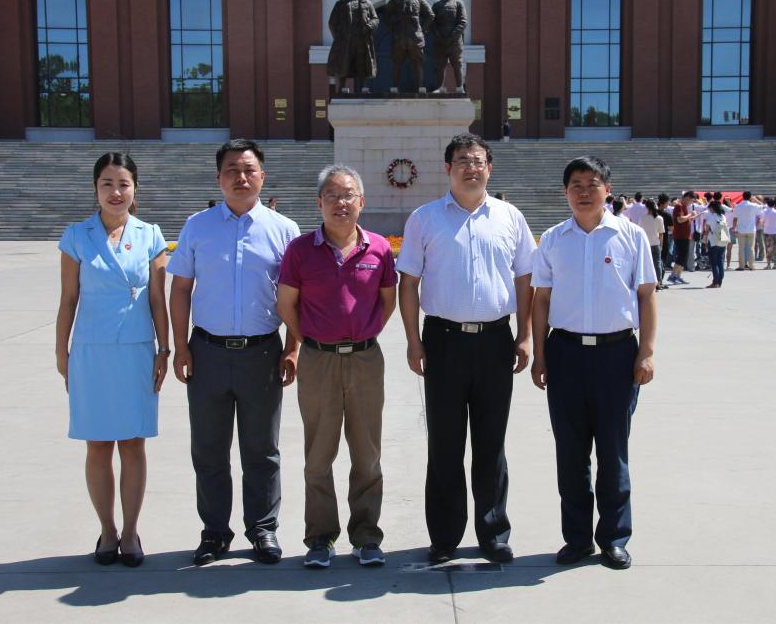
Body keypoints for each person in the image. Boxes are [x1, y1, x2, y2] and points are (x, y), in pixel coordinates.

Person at [397, 133, 536, 566]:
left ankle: (493, 532)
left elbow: (525, 280)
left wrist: (525, 334)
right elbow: (408, 283)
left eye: (478, 161)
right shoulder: (425, 218)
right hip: (443, 341)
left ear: (489, 168)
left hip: (496, 340)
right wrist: (413, 340)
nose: (470, 168)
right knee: (445, 443)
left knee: (491, 443)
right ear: (447, 168)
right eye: (462, 160)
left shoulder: (510, 217)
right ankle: (444, 536)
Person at [167, 139, 301, 566]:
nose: (240, 178)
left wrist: (293, 347)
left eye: (248, 170)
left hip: (262, 354)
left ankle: (262, 529)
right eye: (231, 170)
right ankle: (214, 532)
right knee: (209, 449)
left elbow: (296, 296)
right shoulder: (197, 226)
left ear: (262, 176)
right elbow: (180, 289)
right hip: (206, 351)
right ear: (218, 177)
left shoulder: (285, 230)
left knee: (262, 450)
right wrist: (180, 346)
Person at [530, 155, 657, 570]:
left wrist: (646, 351)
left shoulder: (631, 236)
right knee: (571, 452)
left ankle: (614, 538)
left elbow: (646, 295)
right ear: (565, 192)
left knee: (613, 450)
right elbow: (541, 299)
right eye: (576, 186)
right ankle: (577, 538)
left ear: (608, 189)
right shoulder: (553, 239)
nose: (584, 192)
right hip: (565, 353)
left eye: (592, 184)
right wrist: (540, 355)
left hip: (617, 355)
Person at [276, 166, 397, 569]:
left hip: (365, 361)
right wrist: (310, 339)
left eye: (348, 195)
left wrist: (364, 333)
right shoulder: (300, 250)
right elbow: (286, 305)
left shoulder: (379, 249)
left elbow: (387, 302)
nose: (340, 202)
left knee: (367, 454)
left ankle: (366, 537)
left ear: (362, 201)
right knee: (318, 455)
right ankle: (320, 538)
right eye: (331, 195)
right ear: (319, 203)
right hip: (318, 361)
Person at [55, 152, 170, 568]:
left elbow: (157, 299)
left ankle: (132, 531)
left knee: (133, 443)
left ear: (135, 189)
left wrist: (164, 349)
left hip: (137, 351)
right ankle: (107, 529)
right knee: (98, 443)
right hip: (91, 352)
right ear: (95, 188)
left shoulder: (150, 235)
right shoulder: (76, 236)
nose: (116, 192)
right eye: (107, 183)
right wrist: (62, 352)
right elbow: (69, 299)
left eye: (123, 184)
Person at [326, 0, 379, 94]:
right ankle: (342, 88)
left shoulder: (367, 3)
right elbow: (332, 23)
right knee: (344, 63)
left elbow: (375, 19)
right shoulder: (341, 3)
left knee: (361, 63)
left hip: (361, 40)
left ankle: (363, 88)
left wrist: (369, 25)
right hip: (346, 40)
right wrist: (338, 38)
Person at [384, 0, 434, 94]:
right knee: (397, 63)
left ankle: (420, 87)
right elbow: (385, 15)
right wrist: (393, 28)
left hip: (415, 37)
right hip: (399, 37)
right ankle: (394, 87)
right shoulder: (395, 0)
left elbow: (430, 15)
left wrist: (422, 29)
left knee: (417, 63)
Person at [430, 0, 468, 93]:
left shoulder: (459, 3)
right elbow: (432, 22)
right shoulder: (436, 5)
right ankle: (439, 87)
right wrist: (438, 35)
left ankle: (459, 87)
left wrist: (453, 35)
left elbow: (463, 21)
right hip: (440, 41)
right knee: (440, 65)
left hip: (454, 41)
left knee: (457, 64)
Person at [637, 199, 667, 291]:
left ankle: (647, 282)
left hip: (646, 244)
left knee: (646, 264)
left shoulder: (643, 218)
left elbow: (639, 231)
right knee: (657, 263)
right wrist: (661, 245)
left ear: (646, 207)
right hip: (656, 243)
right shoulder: (659, 218)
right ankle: (659, 282)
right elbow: (661, 233)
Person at [701, 199, 731, 289]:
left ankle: (715, 282)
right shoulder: (723, 216)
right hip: (722, 240)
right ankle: (719, 282)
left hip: (713, 241)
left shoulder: (711, 217)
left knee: (714, 263)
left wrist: (705, 241)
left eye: (710, 208)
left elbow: (707, 230)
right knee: (720, 262)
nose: (709, 209)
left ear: (712, 208)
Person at [667, 191, 696, 285]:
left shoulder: (684, 207)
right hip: (680, 235)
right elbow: (679, 219)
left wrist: (690, 218)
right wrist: (690, 215)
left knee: (684, 256)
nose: (690, 203)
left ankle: (678, 275)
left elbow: (684, 220)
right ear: (687, 198)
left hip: (685, 235)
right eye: (691, 201)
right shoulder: (679, 206)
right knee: (681, 256)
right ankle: (673, 275)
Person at [732, 192, 764, 271]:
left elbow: (735, 218)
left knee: (741, 248)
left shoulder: (738, 206)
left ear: (743, 197)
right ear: (750, 197)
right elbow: (762, 206)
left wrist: (734, 228)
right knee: (751, 248)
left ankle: (741, 265)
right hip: (751, 229)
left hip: (741, 229)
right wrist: (756, 200)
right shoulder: (753, 205)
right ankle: (751, 265)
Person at [760, 198, 776, 269]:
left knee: (768, 248)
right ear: (774, 205)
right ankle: (775, 264)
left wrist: (763, 224)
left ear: (767, 204)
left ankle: (768, 264)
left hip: (767, 232)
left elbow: (762, 221)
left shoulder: (764, 211)